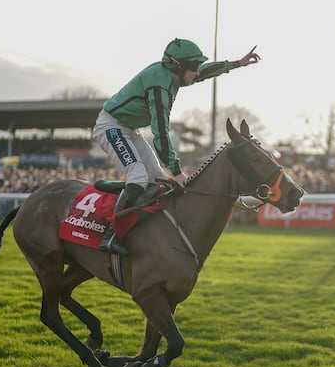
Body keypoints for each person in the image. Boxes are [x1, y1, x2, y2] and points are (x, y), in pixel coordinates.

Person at [93, 38, 261, 254]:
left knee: (156, 178)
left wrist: (237, 63)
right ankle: (110, 235)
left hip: (130, 130)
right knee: (138, 177)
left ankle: (135, 220)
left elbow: (204, 71)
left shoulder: (175, 74)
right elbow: (161, 133)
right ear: (178, 67)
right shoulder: (158, 87)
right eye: (193, 67)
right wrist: (177, 171)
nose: (197, 72)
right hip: (111, 127)